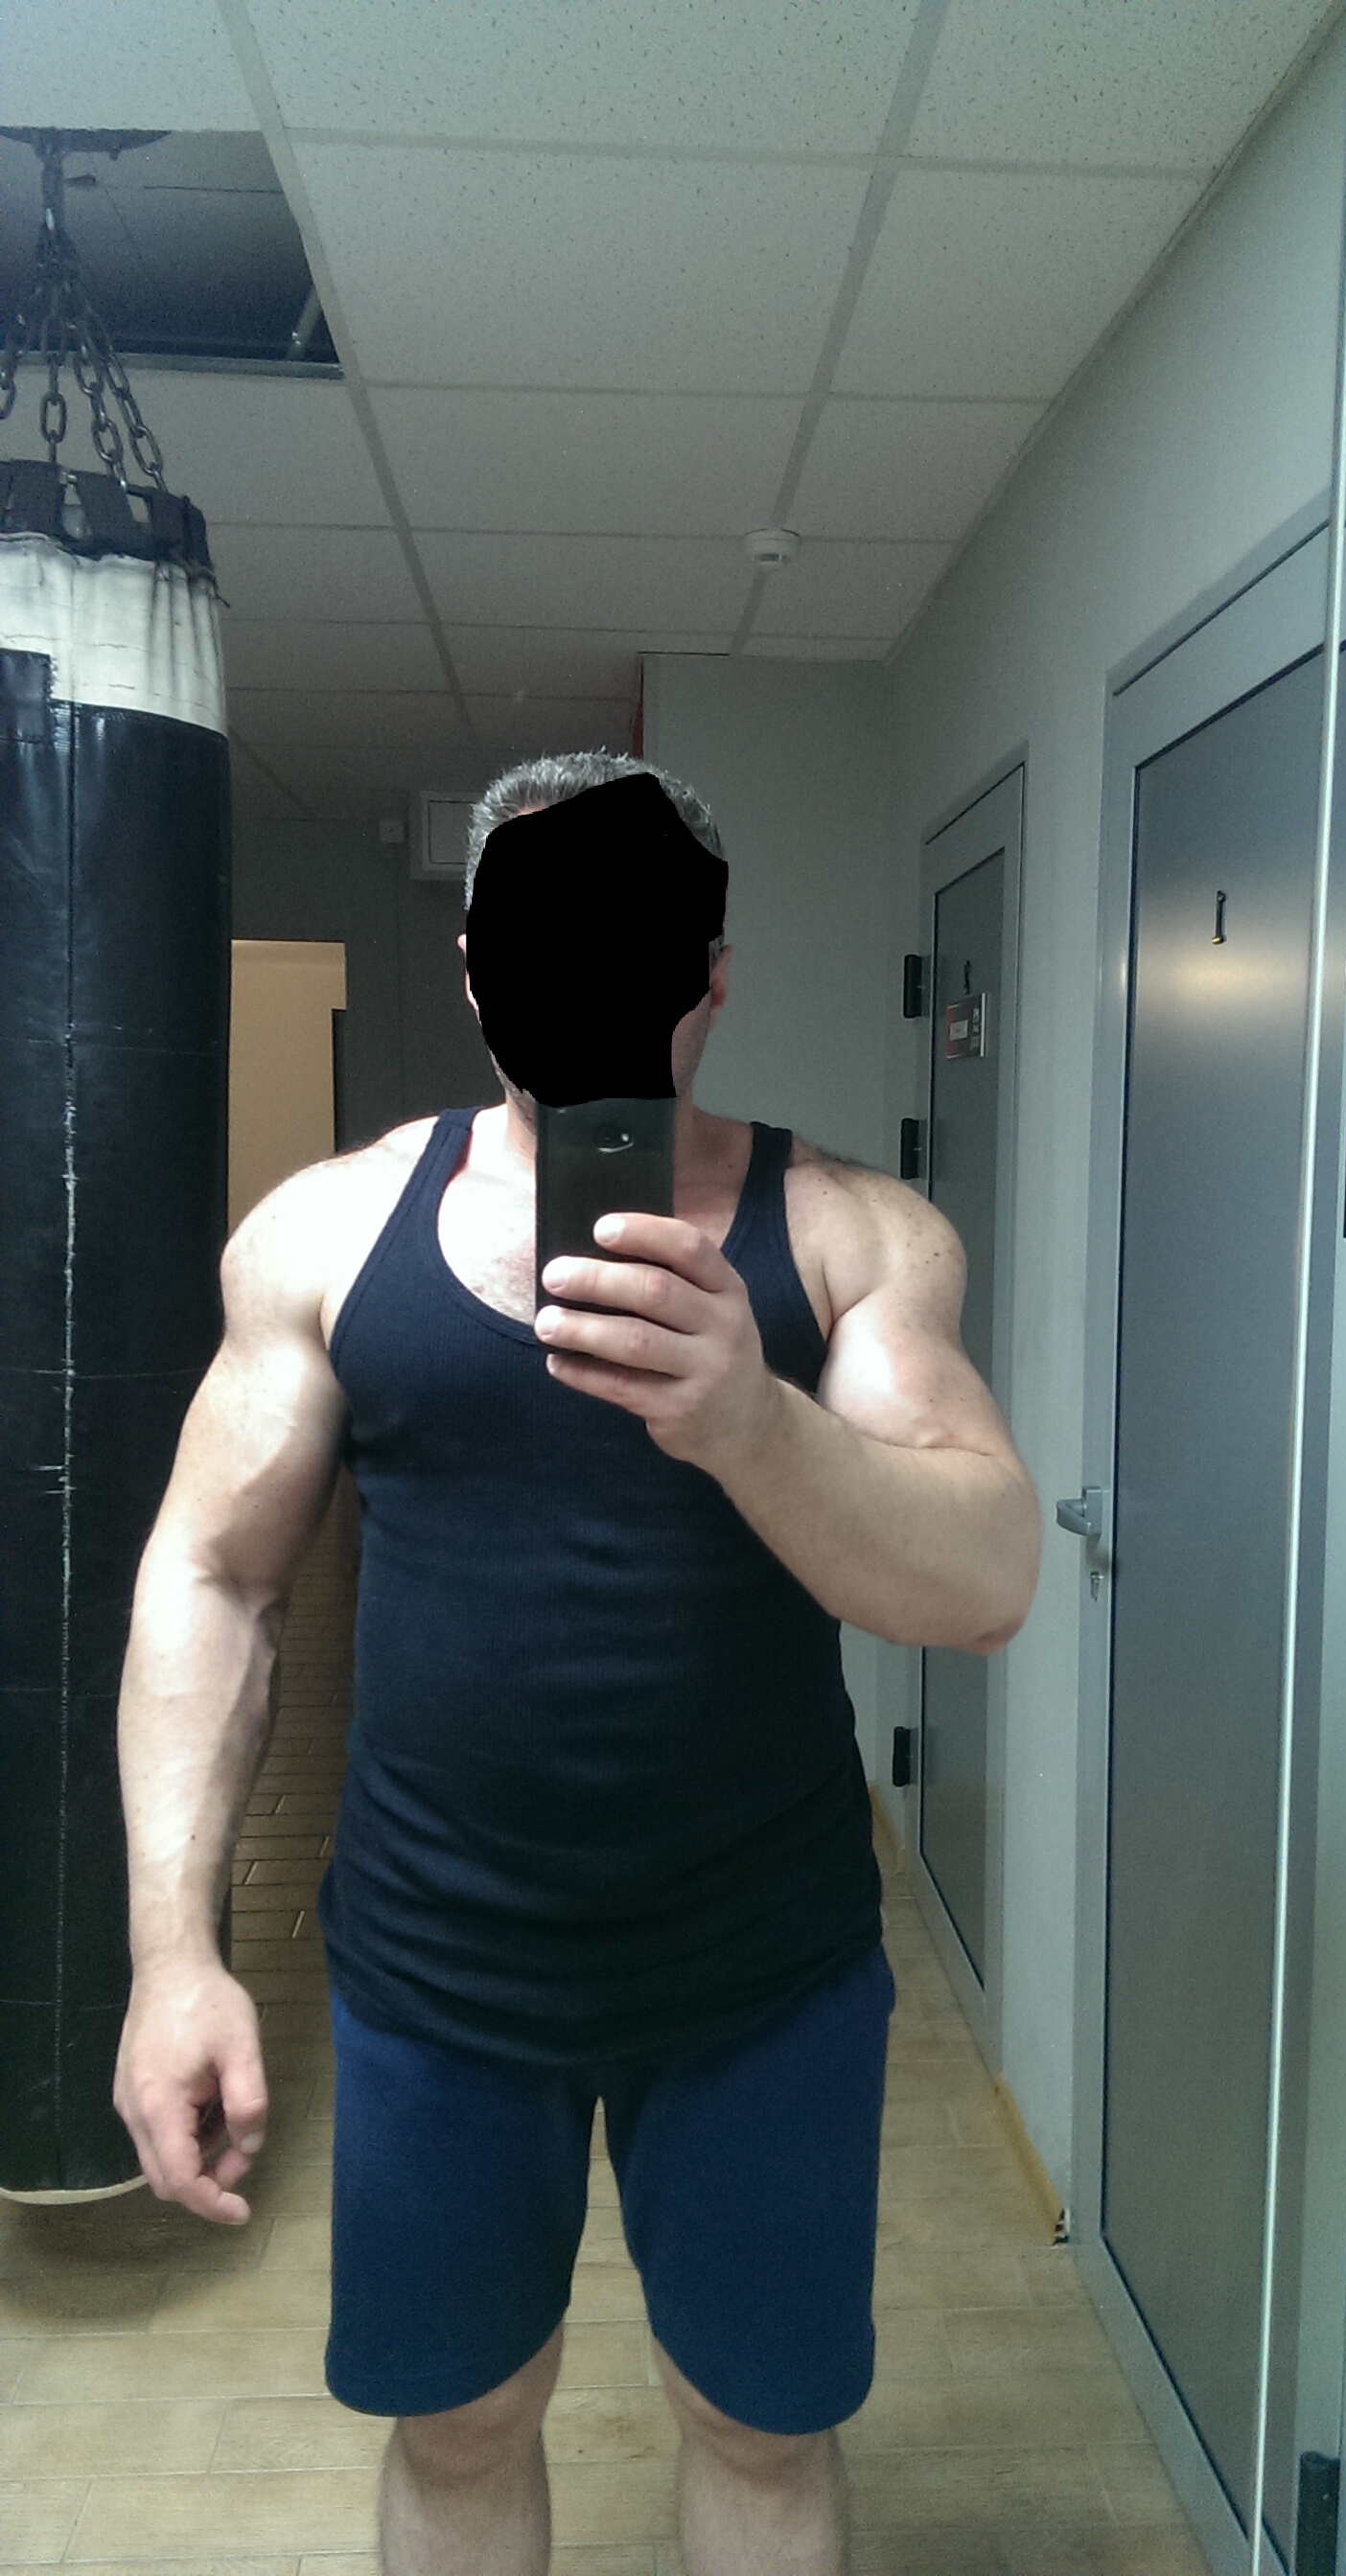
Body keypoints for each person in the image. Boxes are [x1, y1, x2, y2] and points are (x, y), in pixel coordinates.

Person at [112, 749, 1041, 2576]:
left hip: (761, 1968)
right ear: (478, 973)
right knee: (459, 2428)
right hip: (437, 1969)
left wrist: (750, 1419)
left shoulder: (851, 1236)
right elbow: (210, 1581)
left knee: (759, 2430)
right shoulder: (326, 1235)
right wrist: (170, 1955)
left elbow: (990, 1574)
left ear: (710, 977)